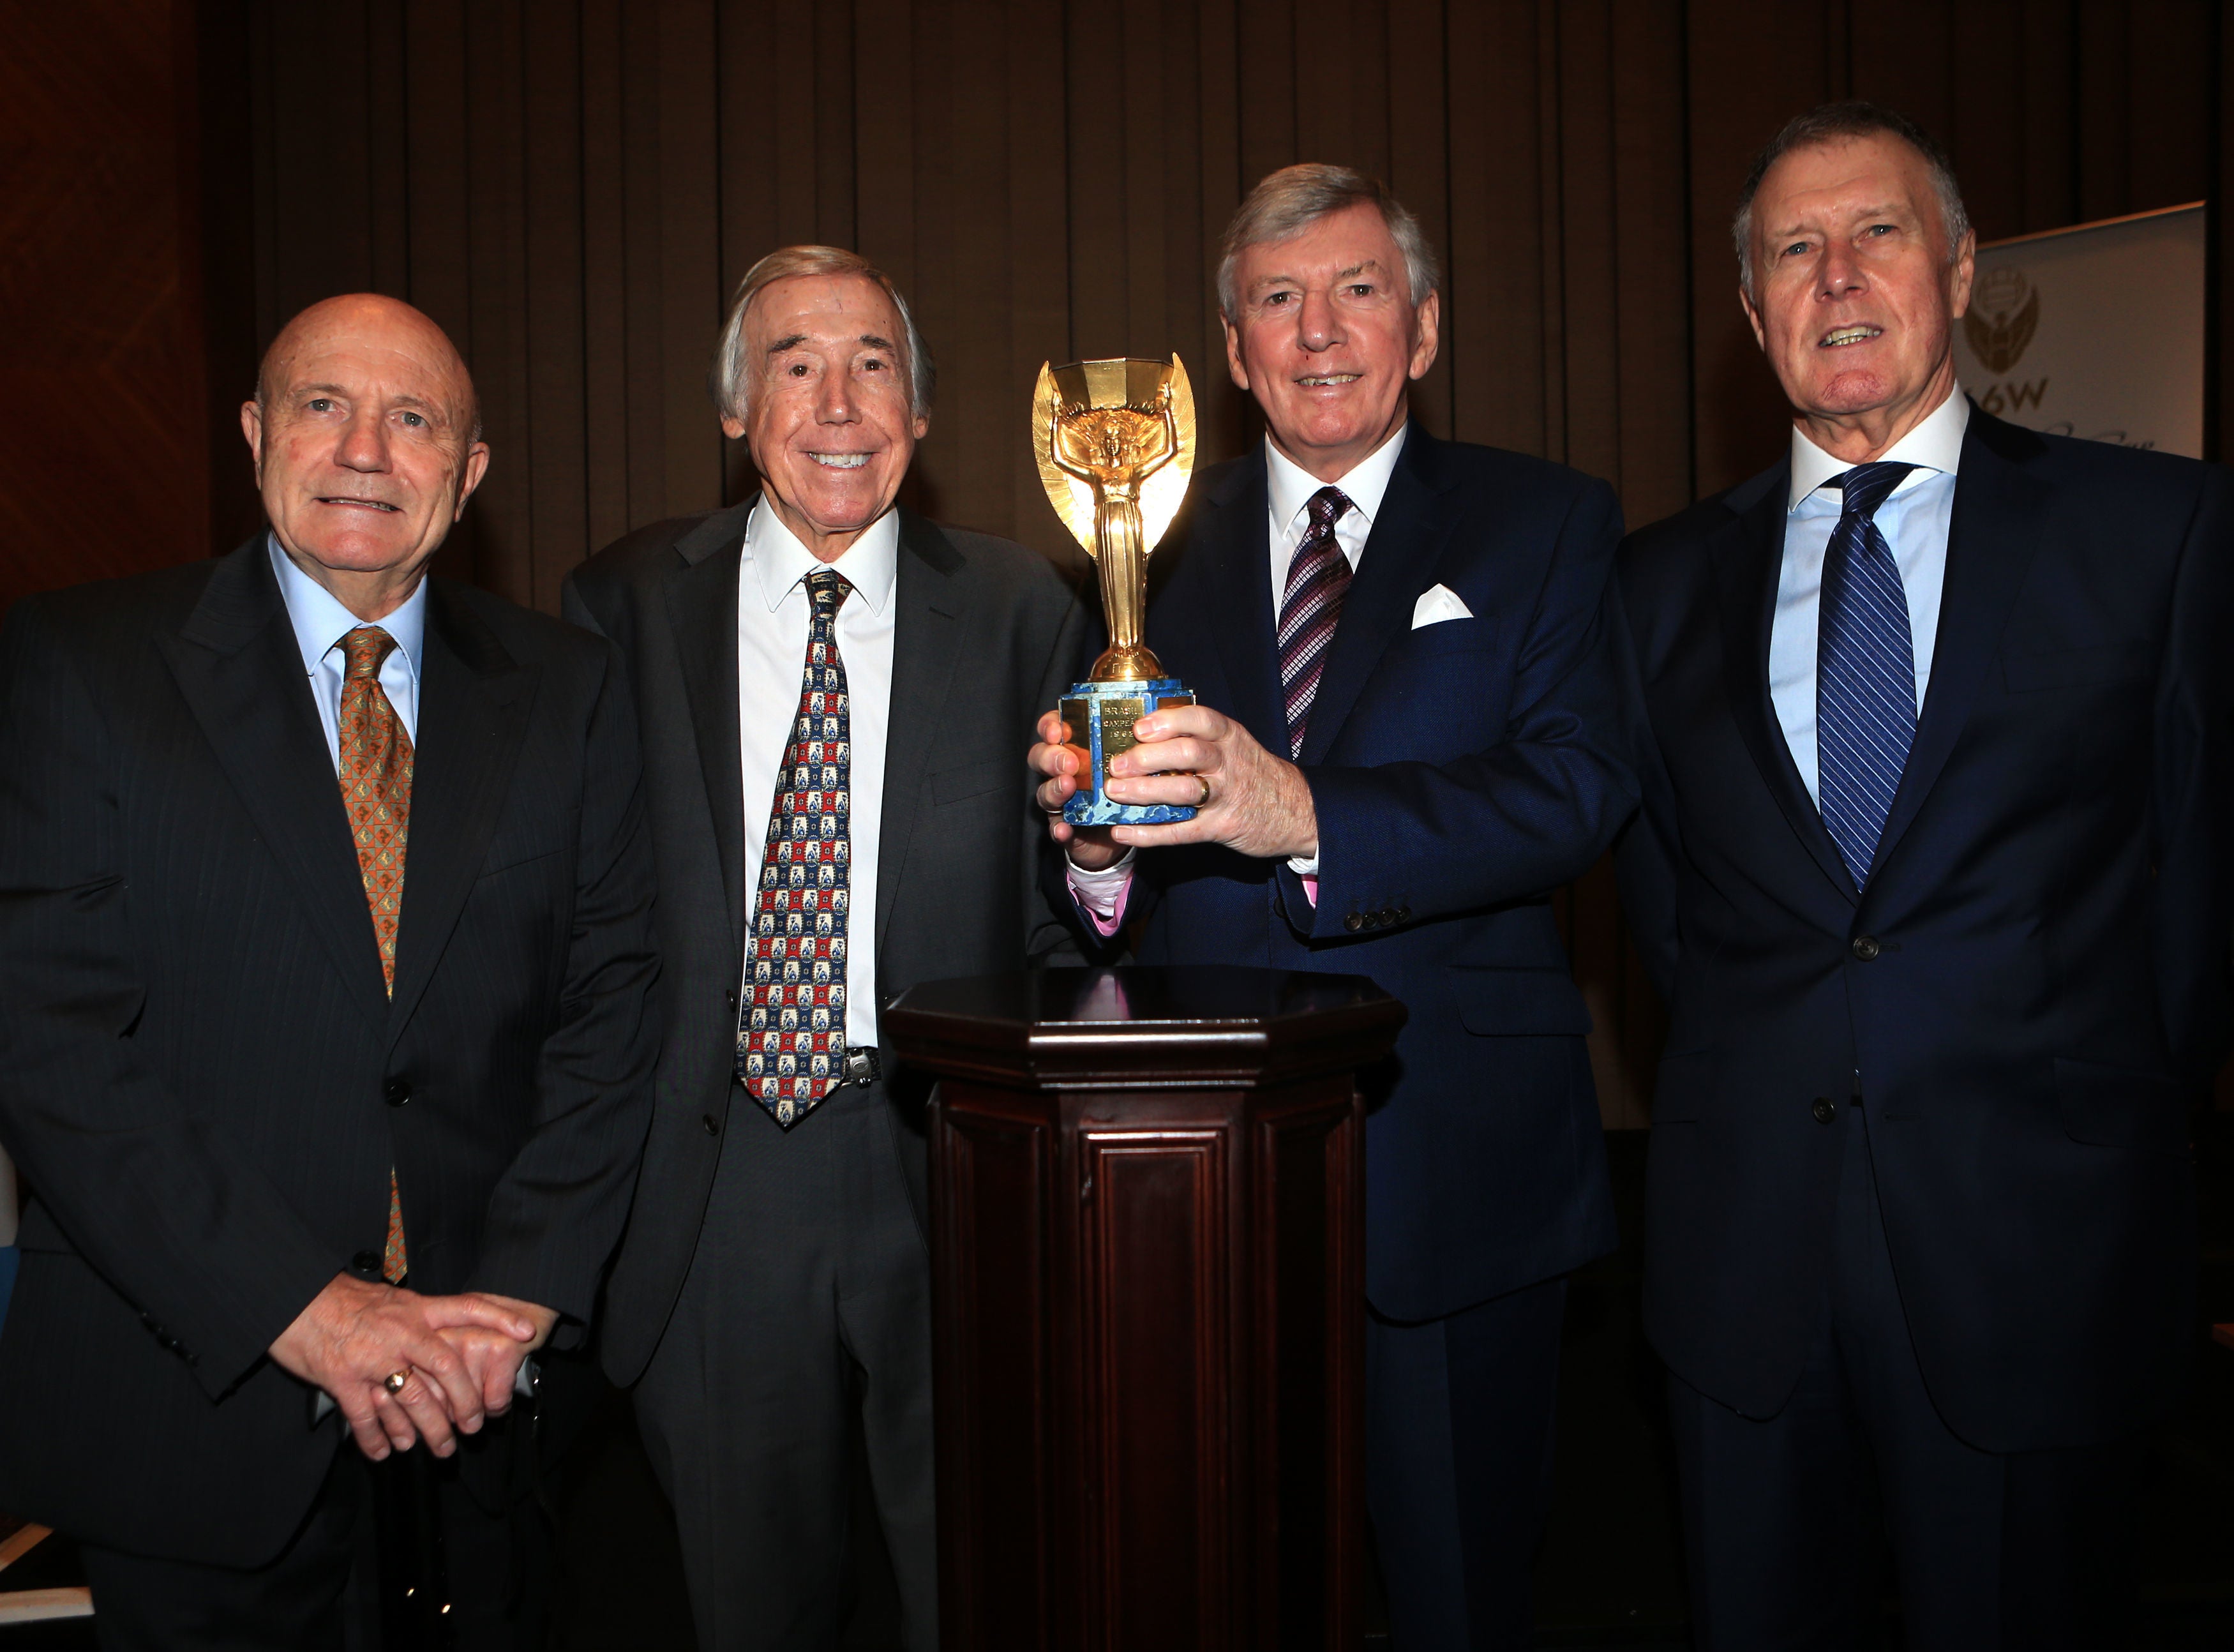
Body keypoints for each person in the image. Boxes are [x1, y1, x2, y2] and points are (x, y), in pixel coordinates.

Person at [1612, 102, 2233, 1648]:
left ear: (1958, 270)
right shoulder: (1651, 585)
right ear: (1750, 311)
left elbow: (2200, 892)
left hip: (2040, 1251)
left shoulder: (2156, 530)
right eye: (1792, 251)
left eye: (1875, 233)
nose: (1836, 277)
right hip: (1747, 1265)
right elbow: (1668, 908)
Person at [1028, 165, 1637, 1649]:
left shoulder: (1544, 520)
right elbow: (1107, 902)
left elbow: (1576, 794)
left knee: (1458, 1603)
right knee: (1210, 1591)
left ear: (1421, 328)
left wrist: (1299, 813)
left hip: (1460, 1171)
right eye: (1275, 301)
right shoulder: (1140, 538)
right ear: (1229, 355)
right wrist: (1092, 850)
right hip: (1197, 1189)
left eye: (1356, 290)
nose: (1318, 331)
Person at [0, 294, 660, 1647]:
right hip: (199, 1416)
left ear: (468, 475)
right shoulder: (78, 667)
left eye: (414, 419)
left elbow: (614, 1005)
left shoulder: (569, 689)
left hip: (490, 1415)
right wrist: (302, 1309)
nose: (366, 447)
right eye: (322, 404)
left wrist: (521, 1302)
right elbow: (50, 1042)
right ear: (254, 435)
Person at [566, 244, 1088, 1650]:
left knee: (982, 1586)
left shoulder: (1023, 605)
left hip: (948, 1156)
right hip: (716, 1171)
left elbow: (1068, 910)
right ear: (737, 410)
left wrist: (1101, 862)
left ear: (921, 413)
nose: (840, 399)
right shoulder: (618, 605)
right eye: (797, 363)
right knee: (750, 1603)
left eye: (875, 365)